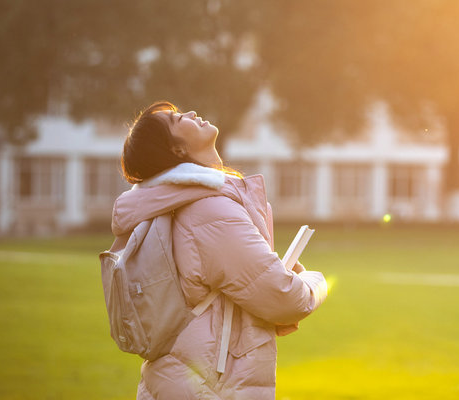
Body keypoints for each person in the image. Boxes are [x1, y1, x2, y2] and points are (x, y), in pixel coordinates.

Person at [112, 101, 328, 399]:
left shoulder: (183, 204)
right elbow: (283, 298)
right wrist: (315, 282)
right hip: (210, 387)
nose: (188, 113)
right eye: (176, 120)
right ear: (176, 150)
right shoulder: (209, 210)